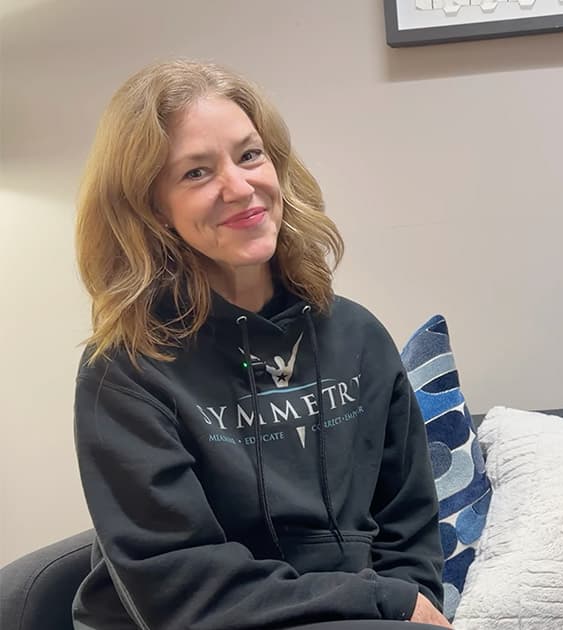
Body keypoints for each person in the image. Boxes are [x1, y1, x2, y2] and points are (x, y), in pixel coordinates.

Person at [72, 60, 451, 630]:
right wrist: (379, 604)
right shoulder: (125, 370)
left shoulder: (358, 337)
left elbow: (408, 528)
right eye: (196, 173)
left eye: (250, 155)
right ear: (154, 210)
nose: (240, 186)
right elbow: (180, 589)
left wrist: (404, 608)